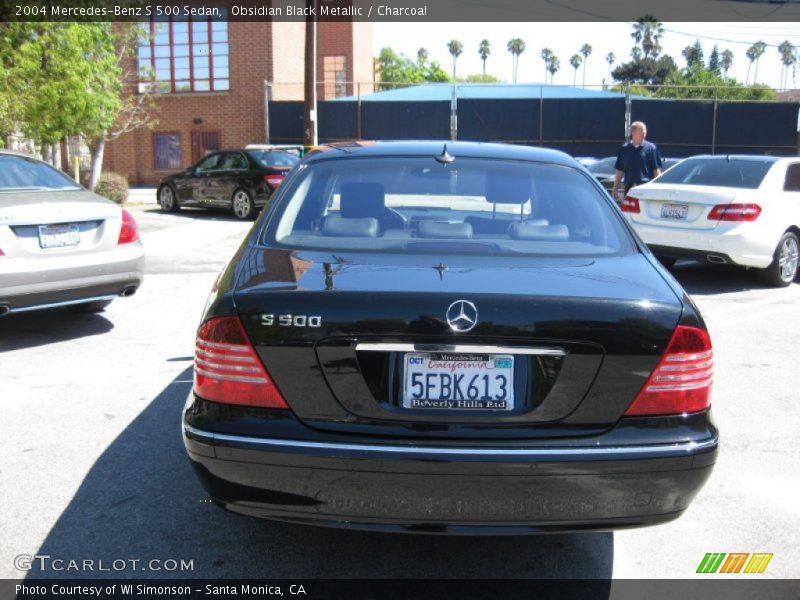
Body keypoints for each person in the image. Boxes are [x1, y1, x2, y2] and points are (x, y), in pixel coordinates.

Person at [611, 121, 663, 201]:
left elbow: (656, 170)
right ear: (633, 133)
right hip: (629, 187)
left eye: (644, 133)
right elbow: (620, 170)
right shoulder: (624, 149)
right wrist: (615, 188)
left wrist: (658, 188)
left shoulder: (651, 148)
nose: (644, 135)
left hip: (645, 187)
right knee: (628, 208)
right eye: (641, 133)